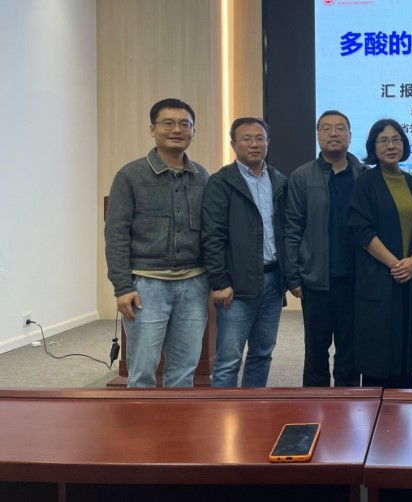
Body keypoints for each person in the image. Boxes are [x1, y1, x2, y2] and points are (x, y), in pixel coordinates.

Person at [104, 98, 209, 388]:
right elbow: (116, 233)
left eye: (185, 124)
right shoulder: (130, 175)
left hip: (194, 284)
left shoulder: (202, 176)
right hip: (146, 287)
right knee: (142, 371)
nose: (177, 130)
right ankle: (140, 420)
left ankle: (177, 418)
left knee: (185, 369)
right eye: (168, 123)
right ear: (152, 129)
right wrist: (122, 286)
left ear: (193, 131)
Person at [201, 118, 288, 387]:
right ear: (233, 144)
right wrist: (220, 282)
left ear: (268, 143)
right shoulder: (221, 182)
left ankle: (254, 406)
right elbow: (212, 236)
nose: (254, 144)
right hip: (236, 284)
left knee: (262, 353)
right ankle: (224, 412)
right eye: (246, 139)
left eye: (259, 138)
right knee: (229, 359)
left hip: (273, 280)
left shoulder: (279, 180)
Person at [284, 110, 366, 387]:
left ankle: (350, 405)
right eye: (326, 128)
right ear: (318, 135)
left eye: (340, 128)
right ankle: (314, 404)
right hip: (316, 279)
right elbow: (292, 227)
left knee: (351, 351)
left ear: (350, 135)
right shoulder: (302, 176)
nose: (334, 133)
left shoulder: (363, 175)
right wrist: (293, 276)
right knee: (315, 351)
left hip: (355, 279)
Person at [347, 119, 412, 388]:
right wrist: (396, 264)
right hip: (379, 275)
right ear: (373, 146)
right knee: (378, 348)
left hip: (410, 275)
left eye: (397, 140)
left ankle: (404, 403)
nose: (391, 146)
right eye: (383, 141)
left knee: (406, 344)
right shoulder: (365, 183)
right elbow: (361, 230)